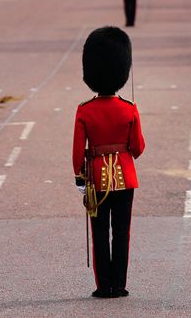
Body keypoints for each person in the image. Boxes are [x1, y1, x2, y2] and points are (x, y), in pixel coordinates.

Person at [72, 26, 145, 299]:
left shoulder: (85, 110)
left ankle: (103, 286)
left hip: (96, 179)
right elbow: (137, 148)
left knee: (100, 232)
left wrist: (81, 181)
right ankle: (119, 284)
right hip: (125, 178)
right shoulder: (129, 109)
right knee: (122, 232)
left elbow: (78, 154)